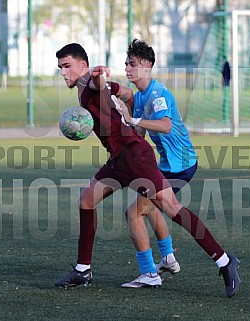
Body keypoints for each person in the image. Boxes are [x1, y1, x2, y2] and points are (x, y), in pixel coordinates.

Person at [115, 39, 241, 298]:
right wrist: (124, 121)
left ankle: (222, 261)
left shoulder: (158, 94)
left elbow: (165, 125)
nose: (127, 68)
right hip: (168, 165)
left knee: (141, 212)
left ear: (148, 65)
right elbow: (140, 131)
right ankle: (169, 259)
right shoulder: (140, 97)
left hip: (180, 165)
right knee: (148, 208)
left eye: (133, 63)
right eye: (126, 63)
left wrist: (133, 119)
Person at [55, 42, 184, 290]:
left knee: (144, 210)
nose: (63, 72)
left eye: (66, 66)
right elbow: (126, 92)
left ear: (83, 65)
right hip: (121, 156)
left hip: (136, 156)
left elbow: (98, 82)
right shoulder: (84, 88)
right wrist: (132, 122)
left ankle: (214, 260)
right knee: (90, 202)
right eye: (60, 68)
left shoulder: (87, 82)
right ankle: (85, 269)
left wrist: (100, 77)